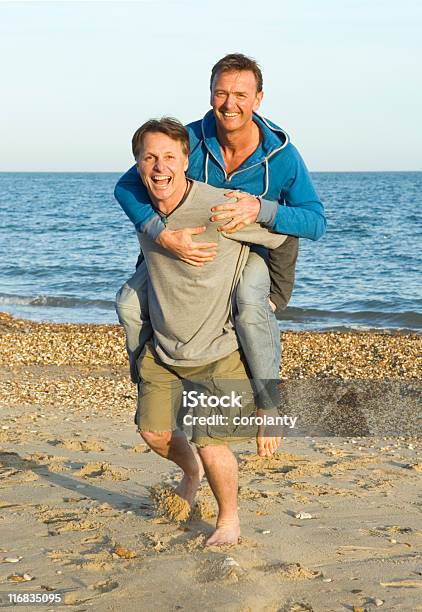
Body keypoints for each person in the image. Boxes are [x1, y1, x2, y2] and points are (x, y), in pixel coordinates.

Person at [114, 53, 326, 409]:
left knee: (247, 301)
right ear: (210, 94)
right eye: (221, 93)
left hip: (248, 252)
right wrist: (160, 233)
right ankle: (149, 376)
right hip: (180, 248)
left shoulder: (282, 155)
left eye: (241, 95)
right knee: (129, 303)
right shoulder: (189, 140)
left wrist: (262, 208)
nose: (230, 104)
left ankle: (268, 399)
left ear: (258, 98)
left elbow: (315, 222)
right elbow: (126, 185)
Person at [127, 117, 289, 545]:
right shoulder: (142, 207)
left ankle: (228, 521)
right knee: (154, 432)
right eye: (149, 158)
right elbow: (120, 189)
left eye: (168, 157)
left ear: (186, 160)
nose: (159, 167)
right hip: (164, 349)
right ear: (138, 165)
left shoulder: (219, 207)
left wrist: (271, 285)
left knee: (210, 441)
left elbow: (288, 233)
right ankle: (190, 474)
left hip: (217, 351)